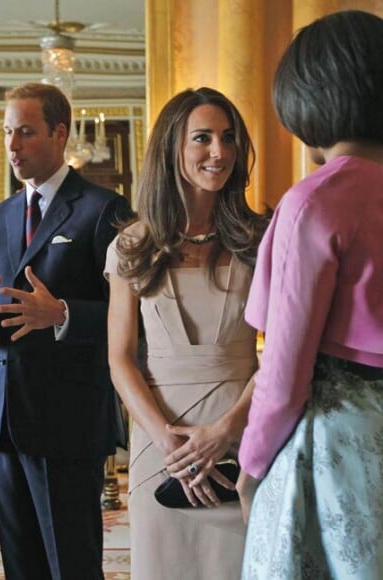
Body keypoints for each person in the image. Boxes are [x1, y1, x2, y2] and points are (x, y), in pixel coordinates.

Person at [0, 82, 131, 580]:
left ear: (60, 133)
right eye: (8, 132)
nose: (12, 145)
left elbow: (134, 316)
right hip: (5, 417)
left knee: (72, 565)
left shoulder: (105, 209)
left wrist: (62, 315)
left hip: (69, 419)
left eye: (25, 132)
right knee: (22, 567)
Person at [236, 10, 383, 579]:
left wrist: (250, 467)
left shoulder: (314, 202)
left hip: (337, 447)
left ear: (310, 95)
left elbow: (285, 371)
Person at [105, 87, 270, 579]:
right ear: (172, 148)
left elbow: (284, 353)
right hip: (161, 449)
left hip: (241, 440)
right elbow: (120, 360)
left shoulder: (262, 240)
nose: (218, 152)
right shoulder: (131, 246)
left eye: (228, 139)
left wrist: (225, 431)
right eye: (202, 138)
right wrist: (167, 443)